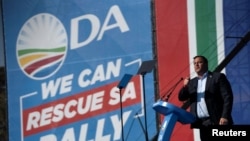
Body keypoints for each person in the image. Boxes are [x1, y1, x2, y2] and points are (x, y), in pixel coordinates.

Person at [178, 55, 234, 141]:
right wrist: (185, 86)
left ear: (206, 64)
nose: (196, 65)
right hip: (202, 124)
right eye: (195, 63)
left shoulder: (217, 77)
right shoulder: (192, 83)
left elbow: (228, 97)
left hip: (218, 121)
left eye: (199, 62)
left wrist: (225, 116)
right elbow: (181, 97)